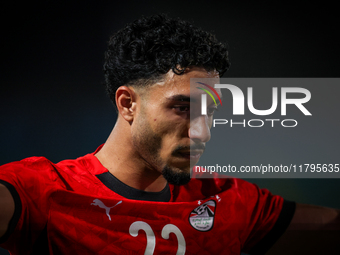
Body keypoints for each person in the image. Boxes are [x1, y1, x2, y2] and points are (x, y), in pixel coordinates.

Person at [0, 14, 339, 255]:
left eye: (211, 111)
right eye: (182, 108)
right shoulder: (42, 192)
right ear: (127, 103)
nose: (202, 131)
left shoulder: (228, 199)